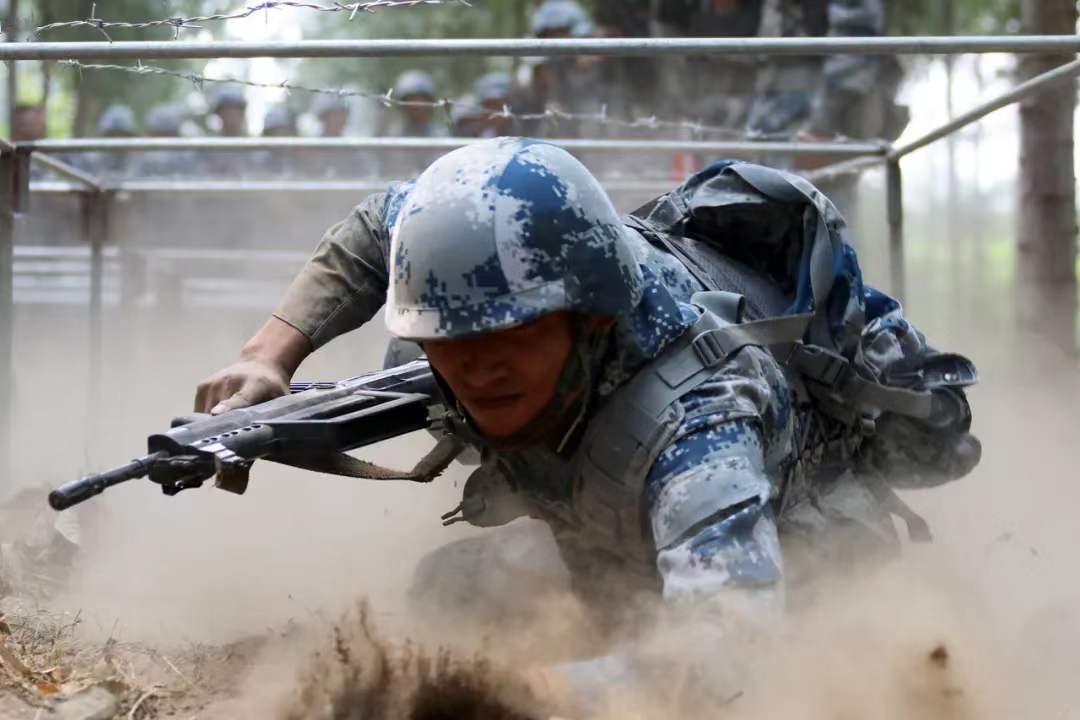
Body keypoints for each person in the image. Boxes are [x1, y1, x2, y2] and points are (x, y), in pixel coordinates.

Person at [194, 138, 979, 708]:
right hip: (608, 517)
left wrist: (494, 691)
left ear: (591, 322)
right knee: (450, 592)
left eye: (517, 335)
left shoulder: (702, 426)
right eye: (454, 340)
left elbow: (724, 655)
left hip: (785, 549)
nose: (481, 368)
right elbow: (382, 226)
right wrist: (271, 358)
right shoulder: (503, 249)